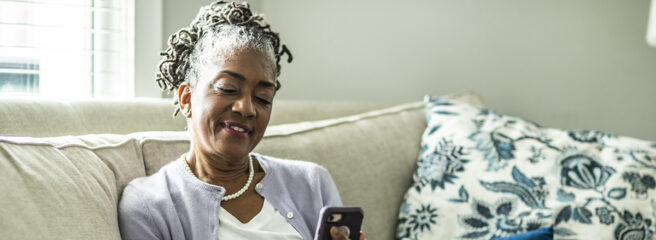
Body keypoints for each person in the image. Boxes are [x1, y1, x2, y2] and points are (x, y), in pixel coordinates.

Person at [118, 1, 364, 239]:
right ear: (186, 99)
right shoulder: (148, 205)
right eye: (228, 88)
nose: (247, 108)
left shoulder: (312, 183)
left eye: (263, 98)